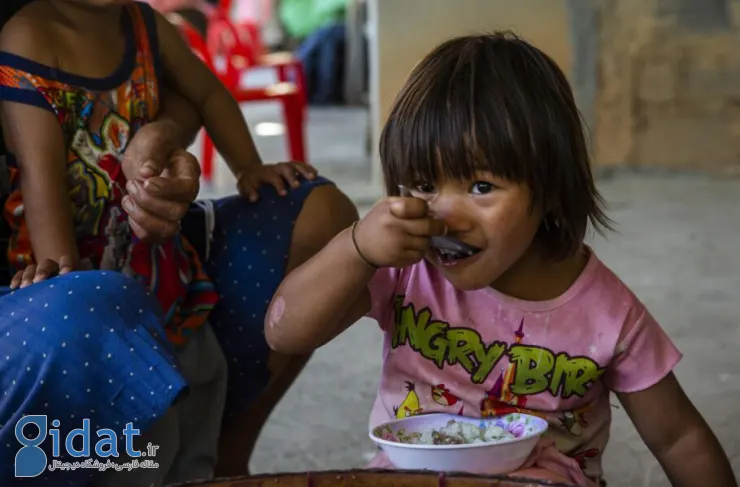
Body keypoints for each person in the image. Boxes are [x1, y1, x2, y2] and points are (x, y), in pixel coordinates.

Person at [264, 33, 738, 487]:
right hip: (406, 473)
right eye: (424, 185)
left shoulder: (608, 314)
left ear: (550, 190)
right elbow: (284, 332)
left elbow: (679, 439)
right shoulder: (403, 268)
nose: (445, 216)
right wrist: (357, 248)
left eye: (481, 187)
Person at [0, 1, 358, 485]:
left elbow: (207, 93)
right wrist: (65, 280)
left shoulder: (145, 25)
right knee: (136, 438)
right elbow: (41, 181)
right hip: (77, 280)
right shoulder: (29, 37)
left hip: (160, 268)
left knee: (195, 405)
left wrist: (247, 167)